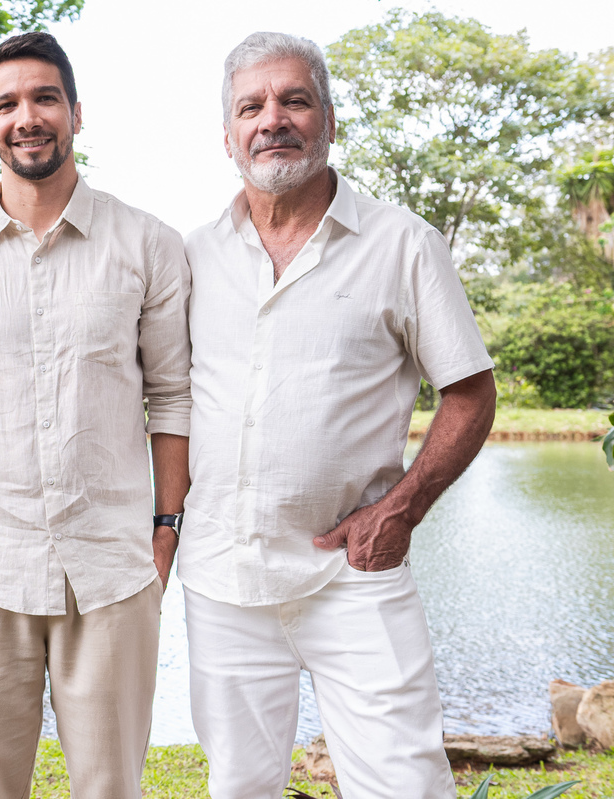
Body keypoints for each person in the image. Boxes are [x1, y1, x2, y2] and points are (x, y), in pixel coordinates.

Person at [181, 32, 497, 798]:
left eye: (295, 100)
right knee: (239, 786)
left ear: (329, 119)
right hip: (223, 579)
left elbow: (470, 391)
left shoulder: (403, 243)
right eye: (251, 107)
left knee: (405, 783)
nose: (272, 119)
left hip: (355, 575)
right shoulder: (192, 256)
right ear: (227, 136)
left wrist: (402, 508)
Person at [0, 31, 191, 799]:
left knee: (110, 787)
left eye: (44, 98)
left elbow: (172, 395)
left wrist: (166, 532)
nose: (26, 117)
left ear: (75, 112)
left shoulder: (148, 244)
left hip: (112, 567)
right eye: (7, 104)